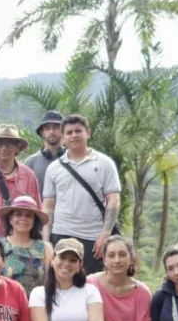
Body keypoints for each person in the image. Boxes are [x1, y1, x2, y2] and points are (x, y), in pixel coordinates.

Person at [42, 115, 121, 276]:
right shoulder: (54, 168)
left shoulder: (104, 163)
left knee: (90, 283)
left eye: (78, 131)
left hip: (93, 237)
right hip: (61, 233)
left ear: (88, 133)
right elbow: (48, 206)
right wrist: (45, 241)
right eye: (69, 132)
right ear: (63, 137)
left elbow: (113, 199)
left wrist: (105, 234)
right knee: (59, 282)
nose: (74, 135)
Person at [87, 236, 152, 321]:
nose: (117, 260)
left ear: (131, 259)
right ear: (104, 260)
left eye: (122, 255)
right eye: (111, 255)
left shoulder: (142, 292)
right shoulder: (91, 284)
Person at [0, 195, 52, 294]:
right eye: (18, 214)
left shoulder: (45, 248)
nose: (23, 218)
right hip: (5, 305)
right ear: (10, 219)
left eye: (29, 215)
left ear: (34, 221)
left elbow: (50, 283)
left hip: (35, 305)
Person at [24, 110, 65, 188]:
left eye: (56, 127)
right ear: (42, 133)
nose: (52, 132)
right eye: (47, 128)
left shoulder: (72, 159)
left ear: (63, 131)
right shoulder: (30, 162)